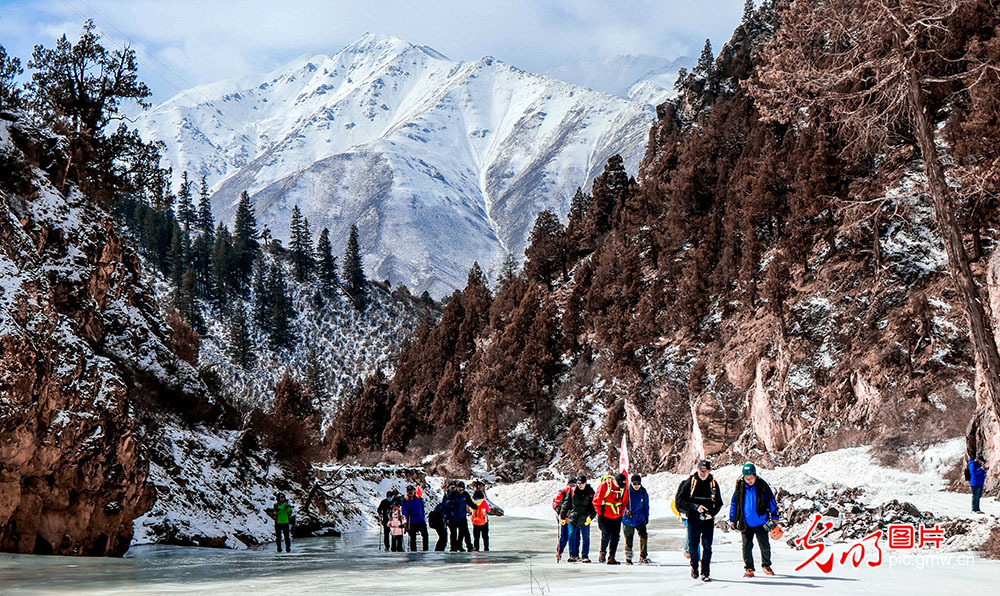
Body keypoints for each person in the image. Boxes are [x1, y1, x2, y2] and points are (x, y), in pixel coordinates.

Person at [729, 462, 779, 578]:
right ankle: (749, 568)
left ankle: (766, 565)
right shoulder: (740, 487)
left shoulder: (762, 486)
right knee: (746, 546)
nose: (749, 480)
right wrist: (733, 519)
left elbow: (771, 501)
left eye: (751, 478)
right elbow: (734, 504)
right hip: (745, 523)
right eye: (747, 478)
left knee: (765, 545)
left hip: (761, 522)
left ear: (755, 476)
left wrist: (775, 517)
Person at [676, 460, 722, 582]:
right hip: (693, 519)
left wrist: (711, 514)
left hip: (707, 521)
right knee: (693, 545)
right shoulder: (689, 483)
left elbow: (718, 503)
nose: (703, 473)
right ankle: (694, 567)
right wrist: (695, 507)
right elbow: (679, 502)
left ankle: (705, 572)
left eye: (705, 470)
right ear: (697, 469)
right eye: (701, 470)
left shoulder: (713, 484)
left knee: (707, 546)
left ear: (709, 471)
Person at [593, 472, 629, 565]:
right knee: (606, 534)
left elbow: (625, 502)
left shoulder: (623, 488)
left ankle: (612, 557)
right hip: (604, 515)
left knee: (615, 537)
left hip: (617, 516)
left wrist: (621, 513)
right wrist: (600, 513)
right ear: (615, 481)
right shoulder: (605, 485)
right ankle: (602, 553)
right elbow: (596, 500)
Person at [559, 474, 596, 563]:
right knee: (571, 535)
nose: (580, 485)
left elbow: (594, 507)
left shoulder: (590, 492)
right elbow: (566, 504)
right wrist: (562, 516)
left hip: (584, 518)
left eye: (582, 483)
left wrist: (591, 517)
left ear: (585, 483)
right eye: (579, 483)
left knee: (585, 538)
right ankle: (573, 555)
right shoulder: (572, 491)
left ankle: (585, 556)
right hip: (573, 517)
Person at [623, 474, 650, 564]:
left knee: (643, 537)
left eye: (638, 483)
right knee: (629, 539)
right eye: (634, 483)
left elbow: (646, 506)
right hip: (628, 520)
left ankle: (643, 556)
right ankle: (628, 558)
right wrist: (626, 511)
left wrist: (646, 517)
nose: (636, 485)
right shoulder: (627, 491)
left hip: (640, 518)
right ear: (631, 483)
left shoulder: (643, 491)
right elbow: (621, 504)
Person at [444, 480, 476, 551]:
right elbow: (445, 505)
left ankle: (469, 547)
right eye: (459, 489)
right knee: (453, 534)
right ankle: (453, 548)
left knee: (465, 532)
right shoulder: (452, 494)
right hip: (453, 518)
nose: (461, 491)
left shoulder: (465, 494)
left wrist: (474, 506)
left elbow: (469, 502)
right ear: (457, 488)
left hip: (462, 517)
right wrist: (447, 517)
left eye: (462, 489)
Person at [552, 478, 574, 562]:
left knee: (573, 536)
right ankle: (559, 551)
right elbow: (555, 502)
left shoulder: (576, 492)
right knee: (564, 537)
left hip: (573, 518)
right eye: (571, 485)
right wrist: (557, 508)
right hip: (564, 518)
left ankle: (573, 554)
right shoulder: (562, 492)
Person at [402, 484, 428, 551]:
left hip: (420, 520)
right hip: (411, 521)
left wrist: (422, 516)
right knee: (412, 538)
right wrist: (407, 512)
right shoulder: (405, 501)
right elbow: (403, 510)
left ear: (414, 491)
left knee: (425, 535)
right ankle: (413, 551)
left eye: (411, 490)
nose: (410, 492)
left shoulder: (419, 499)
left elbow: (422, 508)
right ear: (407, 492)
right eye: (408, 491)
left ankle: (425, 549)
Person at [471, 487, 492, 551]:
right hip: (484, 521)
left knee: (476, 537)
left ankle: (476, 549)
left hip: (475, 522)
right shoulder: (484, 502)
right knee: (485, 536)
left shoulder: (472, 502)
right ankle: (486, 548)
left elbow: (470, 510)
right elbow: (488, 510)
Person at [429, 487, 450, 552]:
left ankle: (439, 551)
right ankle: (438, 551)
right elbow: (445, 511)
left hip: (440, 522)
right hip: (440, 522)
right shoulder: (447, 502)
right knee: (443, 538)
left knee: (442, 538)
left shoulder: (442, 503)